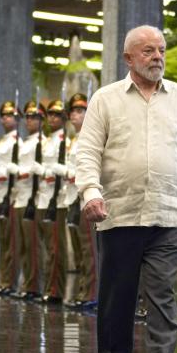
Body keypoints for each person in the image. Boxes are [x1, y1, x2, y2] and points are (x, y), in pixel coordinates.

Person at [75, 24, 177, 353]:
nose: (157, 57)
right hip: (118, 214)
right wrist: (90, 192)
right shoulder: (106, 99)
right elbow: (86, 150)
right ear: (128, 58)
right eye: (148, 51)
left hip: (169, 215)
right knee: (117, 295)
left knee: (162, 294)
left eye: (161, 50)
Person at [63, 93, 99, 311]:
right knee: (79, 249)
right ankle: (84, 290)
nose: (75, 115)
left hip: (85, 198)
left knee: (89, 249)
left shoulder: (90, 137)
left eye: (80, 111)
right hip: (72, 198)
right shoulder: (74, 139)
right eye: (73, 112)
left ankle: (92, 293)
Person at [39, 98, 69, 303]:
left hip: (59, 198)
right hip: (43, 196)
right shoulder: (48, 140)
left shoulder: (65, 142)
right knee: (46, 246)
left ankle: (56, 290)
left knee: (56, 247)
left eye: (57, 115)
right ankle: (48, 286)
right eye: (50, 115)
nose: (52, 118)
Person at [15, 100, 45, 300]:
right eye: (27, 117)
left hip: (34, 198)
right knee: (24, 246)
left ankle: (34, 285)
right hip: (20, 196)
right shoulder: (26, 142)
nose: (30, 121)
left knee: (34, 245)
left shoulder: (41, 142)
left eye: (34, 117)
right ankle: (27, 283)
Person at [0, 100, 21, 295]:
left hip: (12, 195)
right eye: (4, 116)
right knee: (2, 240)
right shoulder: (2, 141)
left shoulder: (18, 143)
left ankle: (10, 282)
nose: (5, 119)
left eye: (10, 116)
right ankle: (3, 280)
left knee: (11, 242)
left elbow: (14, 171)